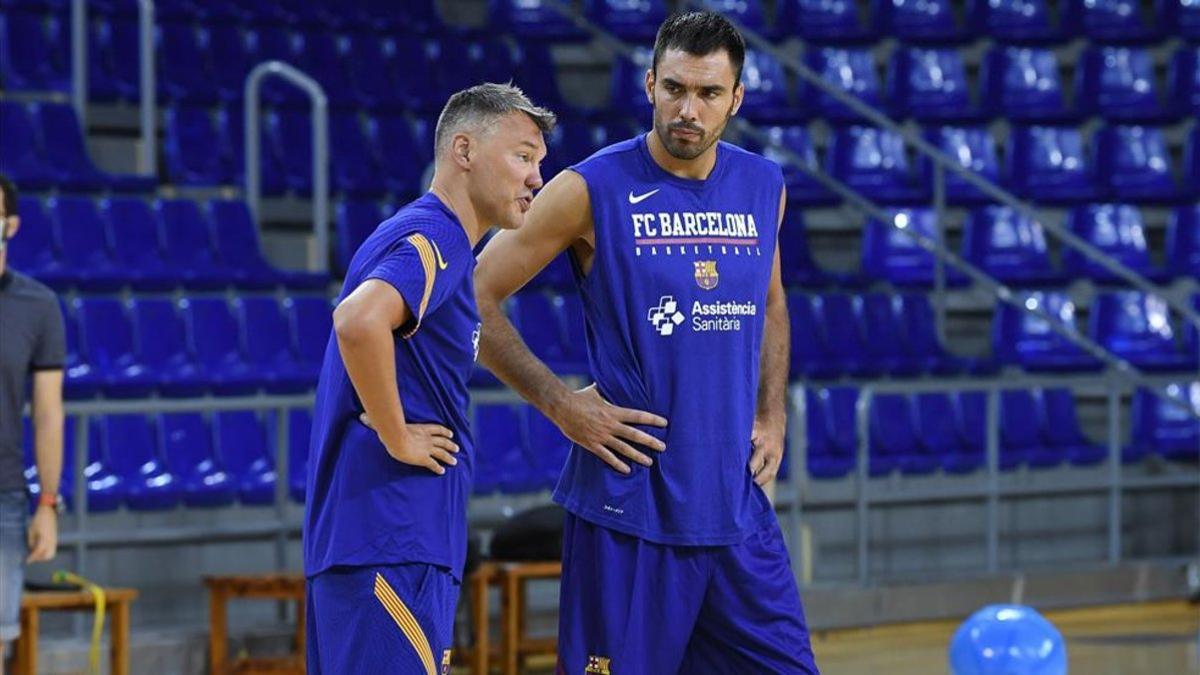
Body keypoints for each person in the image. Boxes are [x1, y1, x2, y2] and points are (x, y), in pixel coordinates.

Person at [474, 11, 820, 673]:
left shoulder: (762, 187)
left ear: (736, 99)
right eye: (675, 89)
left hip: (734, 505)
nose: (689, 109)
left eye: (709, 94)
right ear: (650, 84)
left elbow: (772, 302)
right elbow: (472, 295)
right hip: (630, 506)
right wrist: (558, 403)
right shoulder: (589, 188)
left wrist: (772, 414)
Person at [303, 84, 554, 674]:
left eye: (539, 163)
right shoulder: (438, 234)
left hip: (379, 541)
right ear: (463, 150)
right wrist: (398, 435)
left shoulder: (440, 244)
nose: (537, 179)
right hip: (393, 539)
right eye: (523, 156)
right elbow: (358, 320)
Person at [0, 174, 65, 675]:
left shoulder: (37, 305)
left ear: (11, 224)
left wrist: (47, 502)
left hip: (3, 493)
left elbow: (47, 412)